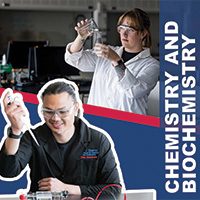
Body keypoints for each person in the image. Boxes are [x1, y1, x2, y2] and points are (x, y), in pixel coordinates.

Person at [0, 79, 123, 199]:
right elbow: (8, 171)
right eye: (48, 111)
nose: (55, 118)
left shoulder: (98, 140)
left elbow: (113, 190)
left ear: (75, 108)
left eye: (62, 111)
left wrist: (67, 188)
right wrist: (15, 130)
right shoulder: (33, 137)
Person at [65, 8, 159, 115]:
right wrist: (80, 38)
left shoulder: (152, 65)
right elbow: (73, 59)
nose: (124, 34)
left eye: (130, 29)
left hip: (127, 125)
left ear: (143, 33)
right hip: (97, 122)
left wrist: (116, 60)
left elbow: (134, 91)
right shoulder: (106, 52)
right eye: (122, 28)